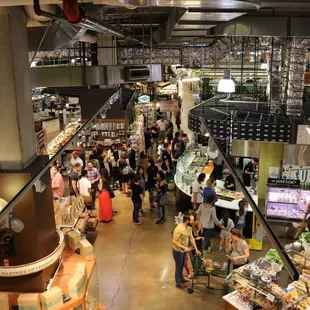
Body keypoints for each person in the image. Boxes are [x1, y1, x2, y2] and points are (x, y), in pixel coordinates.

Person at [172, 213, 201, 289]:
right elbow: (174, 241)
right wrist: (184, 247)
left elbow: (191, 238)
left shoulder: (189, 227)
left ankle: (181, 278)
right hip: (178, 251)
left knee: (182, 265)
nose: (193, 222)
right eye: (192, 220)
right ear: (187, 220)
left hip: (184, 251)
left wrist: (196, 249)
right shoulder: (178, 228)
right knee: (178, 266)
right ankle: (178, 283)